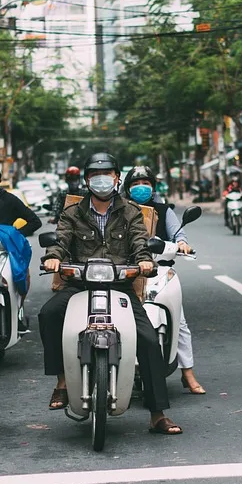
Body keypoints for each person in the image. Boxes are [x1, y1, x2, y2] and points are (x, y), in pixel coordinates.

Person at [38, 152, 182, 435]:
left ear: (117, 178)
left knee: (150, 341)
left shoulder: (130, 211)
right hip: (79, 284)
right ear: (87, 180)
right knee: (48, 313)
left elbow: (140, 242)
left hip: (120, 286)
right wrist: (53, 257)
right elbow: (61, 240)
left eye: (107, 175)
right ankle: (62, 382)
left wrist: (144, 261)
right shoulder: (73, 212)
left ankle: (157, 414)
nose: (101, 180)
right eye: (94, 176)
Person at [123, 166, 205, 395]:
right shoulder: (121, 210)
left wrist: (182, 244)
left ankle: (187, 373)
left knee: (180, 322)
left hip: (160, 271)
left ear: (153, 187)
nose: (141, 188)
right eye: (136, 184)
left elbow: (178, 234)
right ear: (127, 188)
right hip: (128, 273)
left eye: (146, 183)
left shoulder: (163, 210)